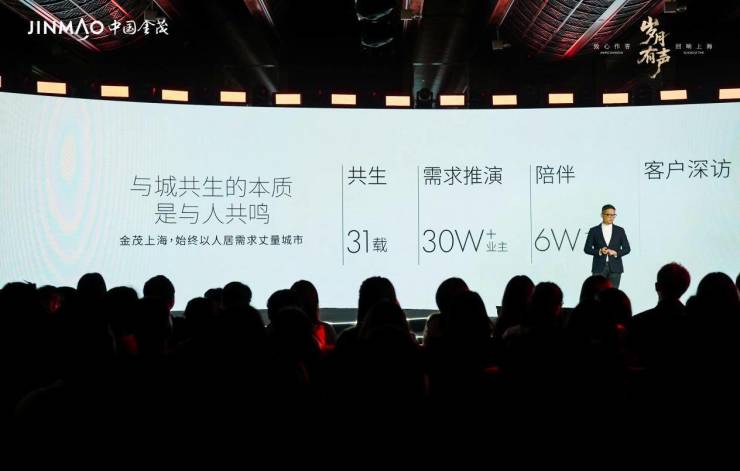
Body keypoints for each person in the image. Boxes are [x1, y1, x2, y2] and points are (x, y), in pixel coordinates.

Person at [584, 204, 630, 288]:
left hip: (615, 267)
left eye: (613, 215)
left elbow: (627, 248)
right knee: (597, 292)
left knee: (613, 293)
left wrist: (615, 253)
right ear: (602, 215)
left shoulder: (620, 230)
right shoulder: (594, 230)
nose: (611, 217)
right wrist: (599, 251)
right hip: (598, 267)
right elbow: (587, 249)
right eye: (608, 215)